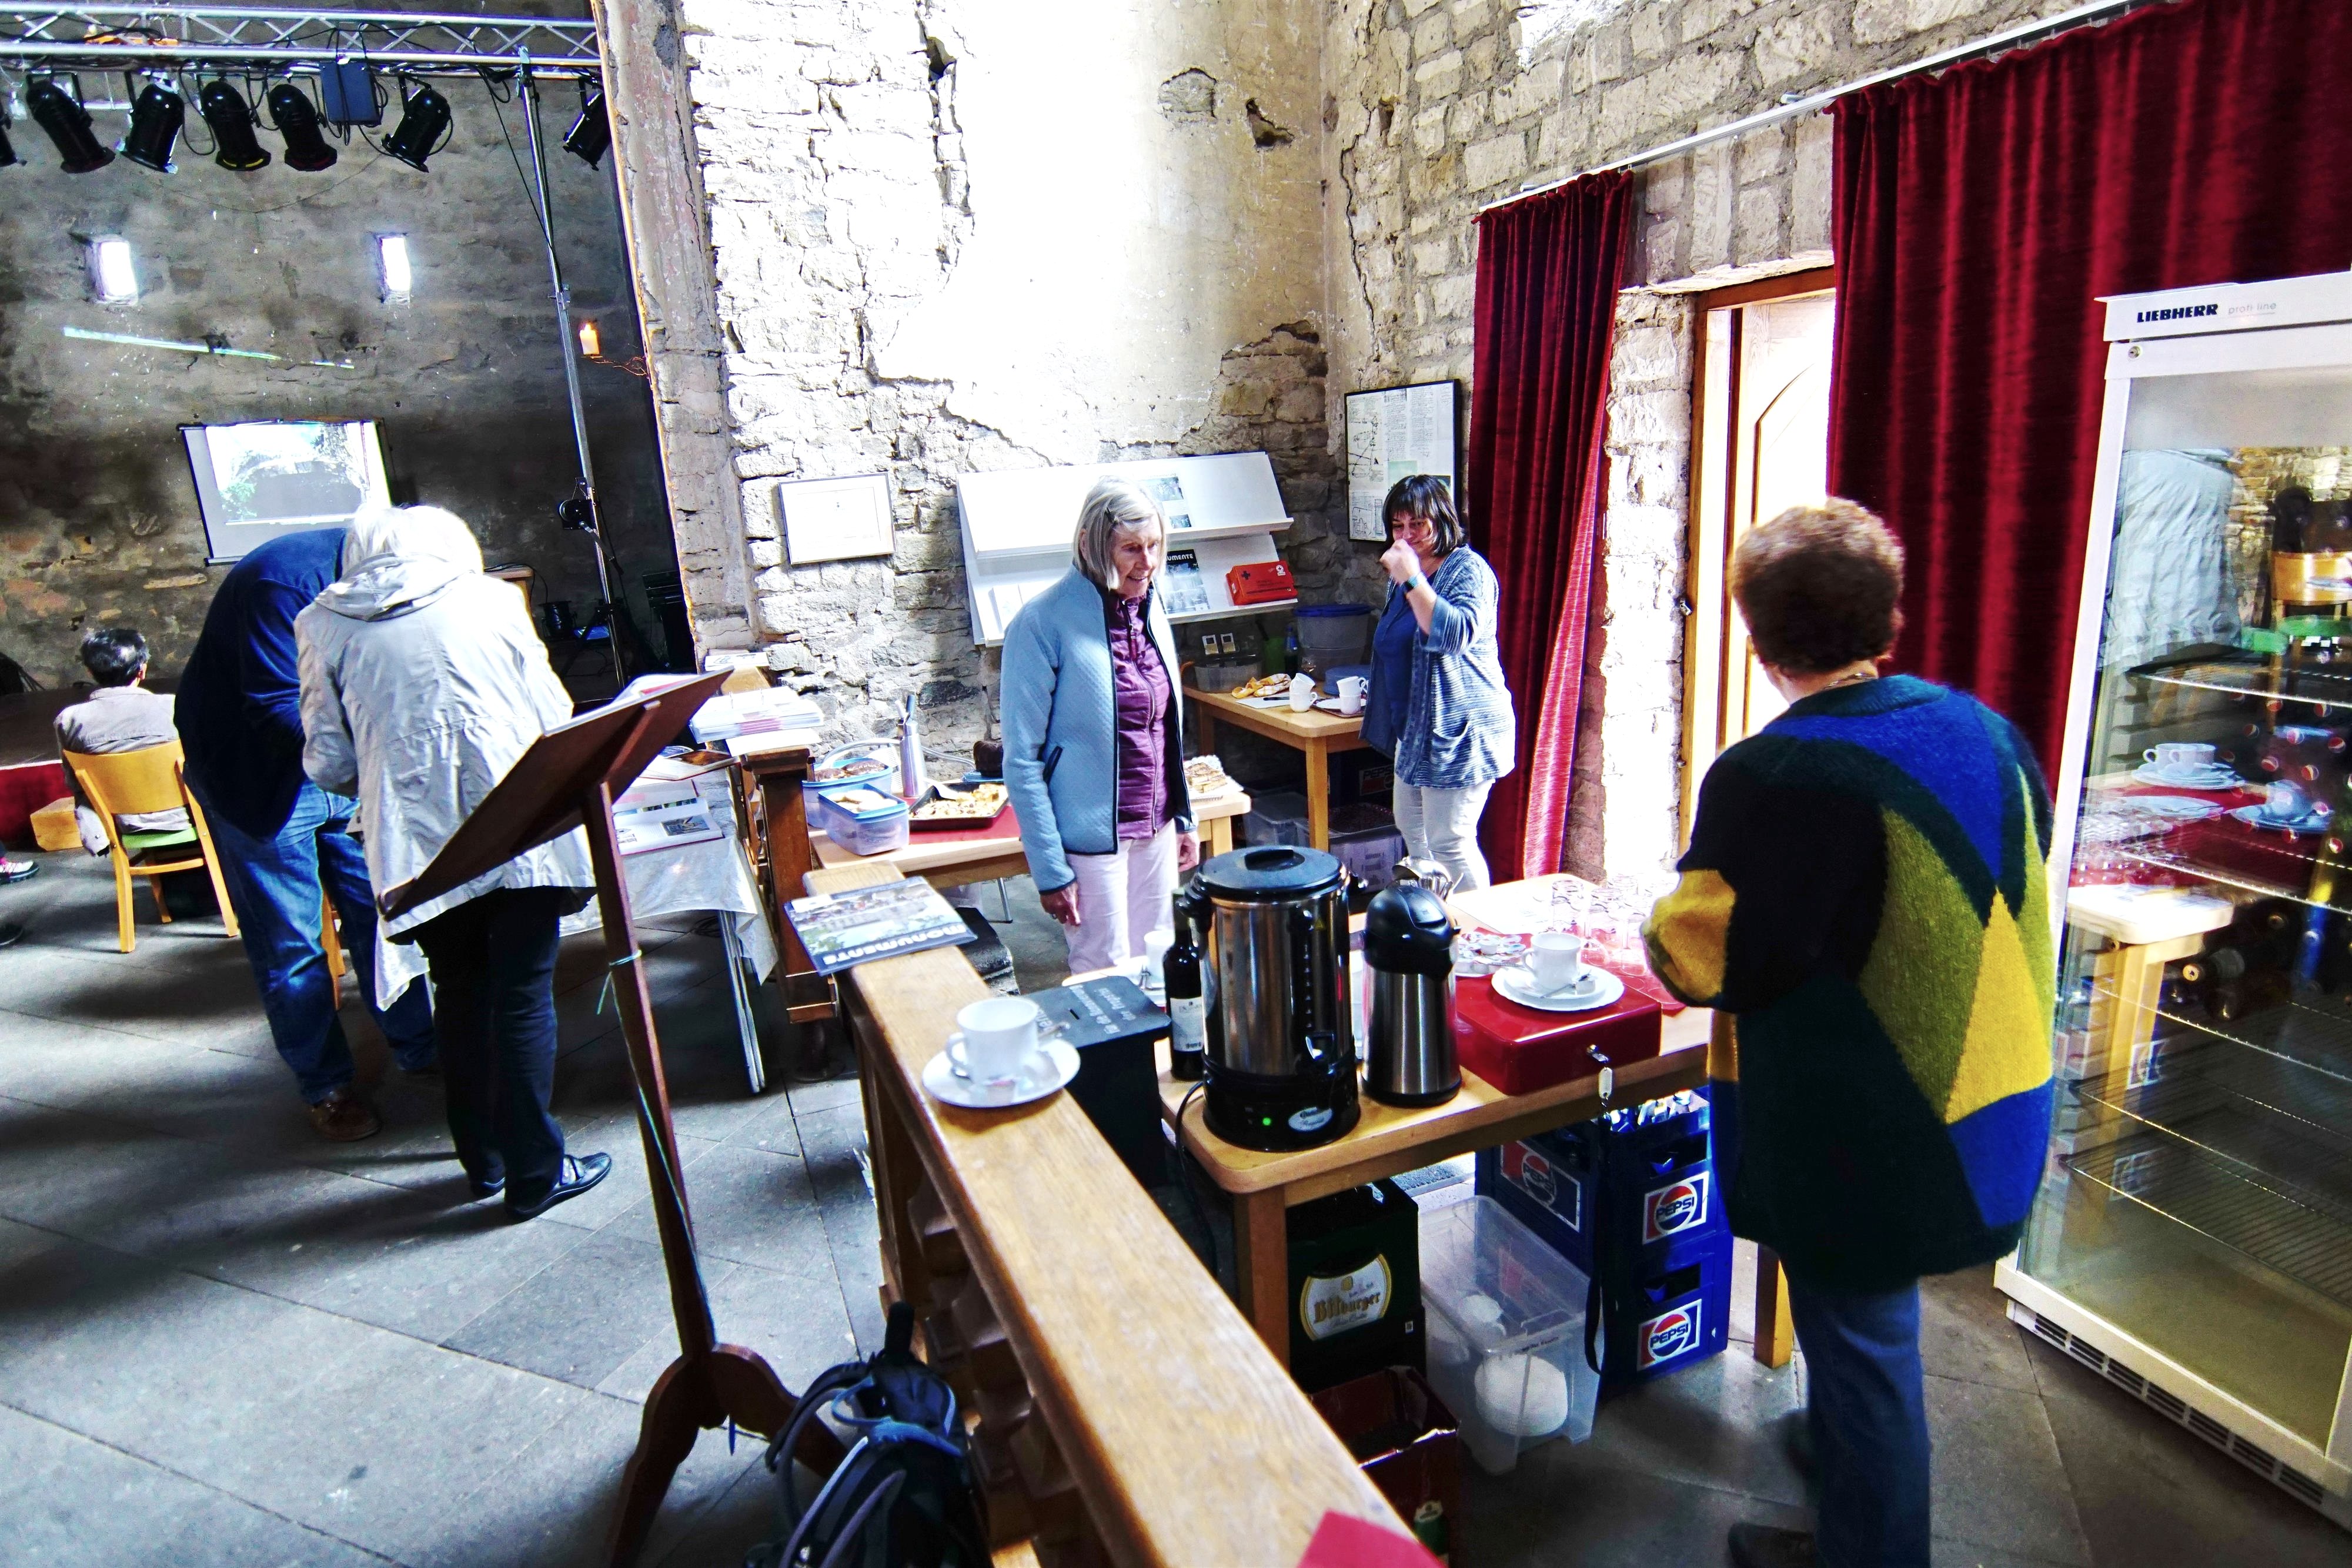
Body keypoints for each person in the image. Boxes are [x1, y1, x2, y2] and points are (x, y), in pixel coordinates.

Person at [1640, 501, 2056, 1568]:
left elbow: (1707, 960)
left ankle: (1870, 1536)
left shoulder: (1779, 772)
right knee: (1861, 1338)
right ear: (1890, 617)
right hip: (1998, 1098)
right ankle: (1842, 1466)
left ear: (1759, 640)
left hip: (1883, 1136)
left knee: (1869, 1353)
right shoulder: (1988, 732)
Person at [297, 505, 609, 1221]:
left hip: (418, 840)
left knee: (459, 993)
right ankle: (537, 1173)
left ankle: (484, 1163)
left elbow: (329, 761)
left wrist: (389, 770)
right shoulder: (491, 599)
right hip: (517, 816)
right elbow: (553, 712)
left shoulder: (322, 623)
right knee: (522, 993)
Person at [176, 529, 437, 1142]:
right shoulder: (282, 584)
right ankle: (326, 1086)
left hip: (339, 761)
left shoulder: (392, 575)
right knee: (291, 944)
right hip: (256, 777)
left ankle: (419, 1044)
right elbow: (274, 705)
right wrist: (379, 750)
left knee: (384, 913)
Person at [1000, 477, 1200, 973]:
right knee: (1104, 974)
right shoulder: (1041, 623)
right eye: (1131, 548)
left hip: (1156, 825)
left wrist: (1184, 817)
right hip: (1089, 843)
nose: (1147, 562)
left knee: (1158, 963)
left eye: (1154, 546)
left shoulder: (1151, 609)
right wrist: (1050, 870)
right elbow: (1022, 760)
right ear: (1092, 544)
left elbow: (1166, 728)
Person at [1360, 474, 1515, 891]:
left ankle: (1478, 926)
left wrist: (1413, 579)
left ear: (1442, 521)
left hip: (1461, 730)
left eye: (1418, 525)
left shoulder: (1468, 570)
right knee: (1414, 835)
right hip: (1415, 730)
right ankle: (1435, 923)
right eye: (1398, 526)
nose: (1406, 536)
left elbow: (1453, 634)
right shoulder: (1402, 576)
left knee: (1450, 843)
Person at [56, 626, 189, 855]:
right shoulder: (174, 707)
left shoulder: (70, 721)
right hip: (188, 816)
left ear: (90, 672)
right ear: (142, 670)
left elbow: (76, 783)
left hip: (120, 824)